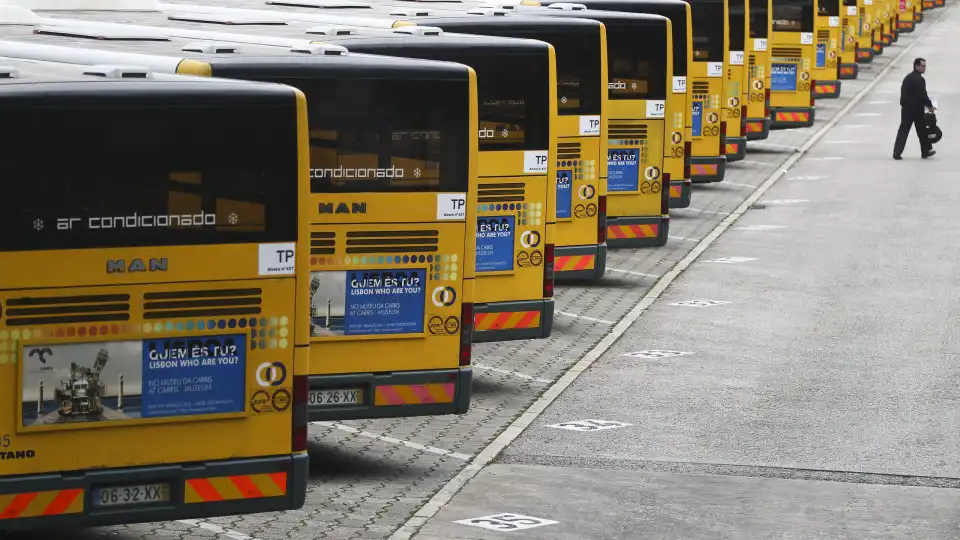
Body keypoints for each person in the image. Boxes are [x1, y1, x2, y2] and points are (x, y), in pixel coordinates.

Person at [893, 57, 936, 160]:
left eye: (925, 66)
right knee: (922, 131)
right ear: (916, 66)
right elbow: (922, 95)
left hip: (906, 109)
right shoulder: (920, 80)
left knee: (903, 130)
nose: (924, 68)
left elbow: (903, 92)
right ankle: (926, 151)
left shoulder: (907, 78)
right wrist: (930, 106)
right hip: (917, 110)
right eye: (923, 66)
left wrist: (903, 104)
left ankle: (897, 152)